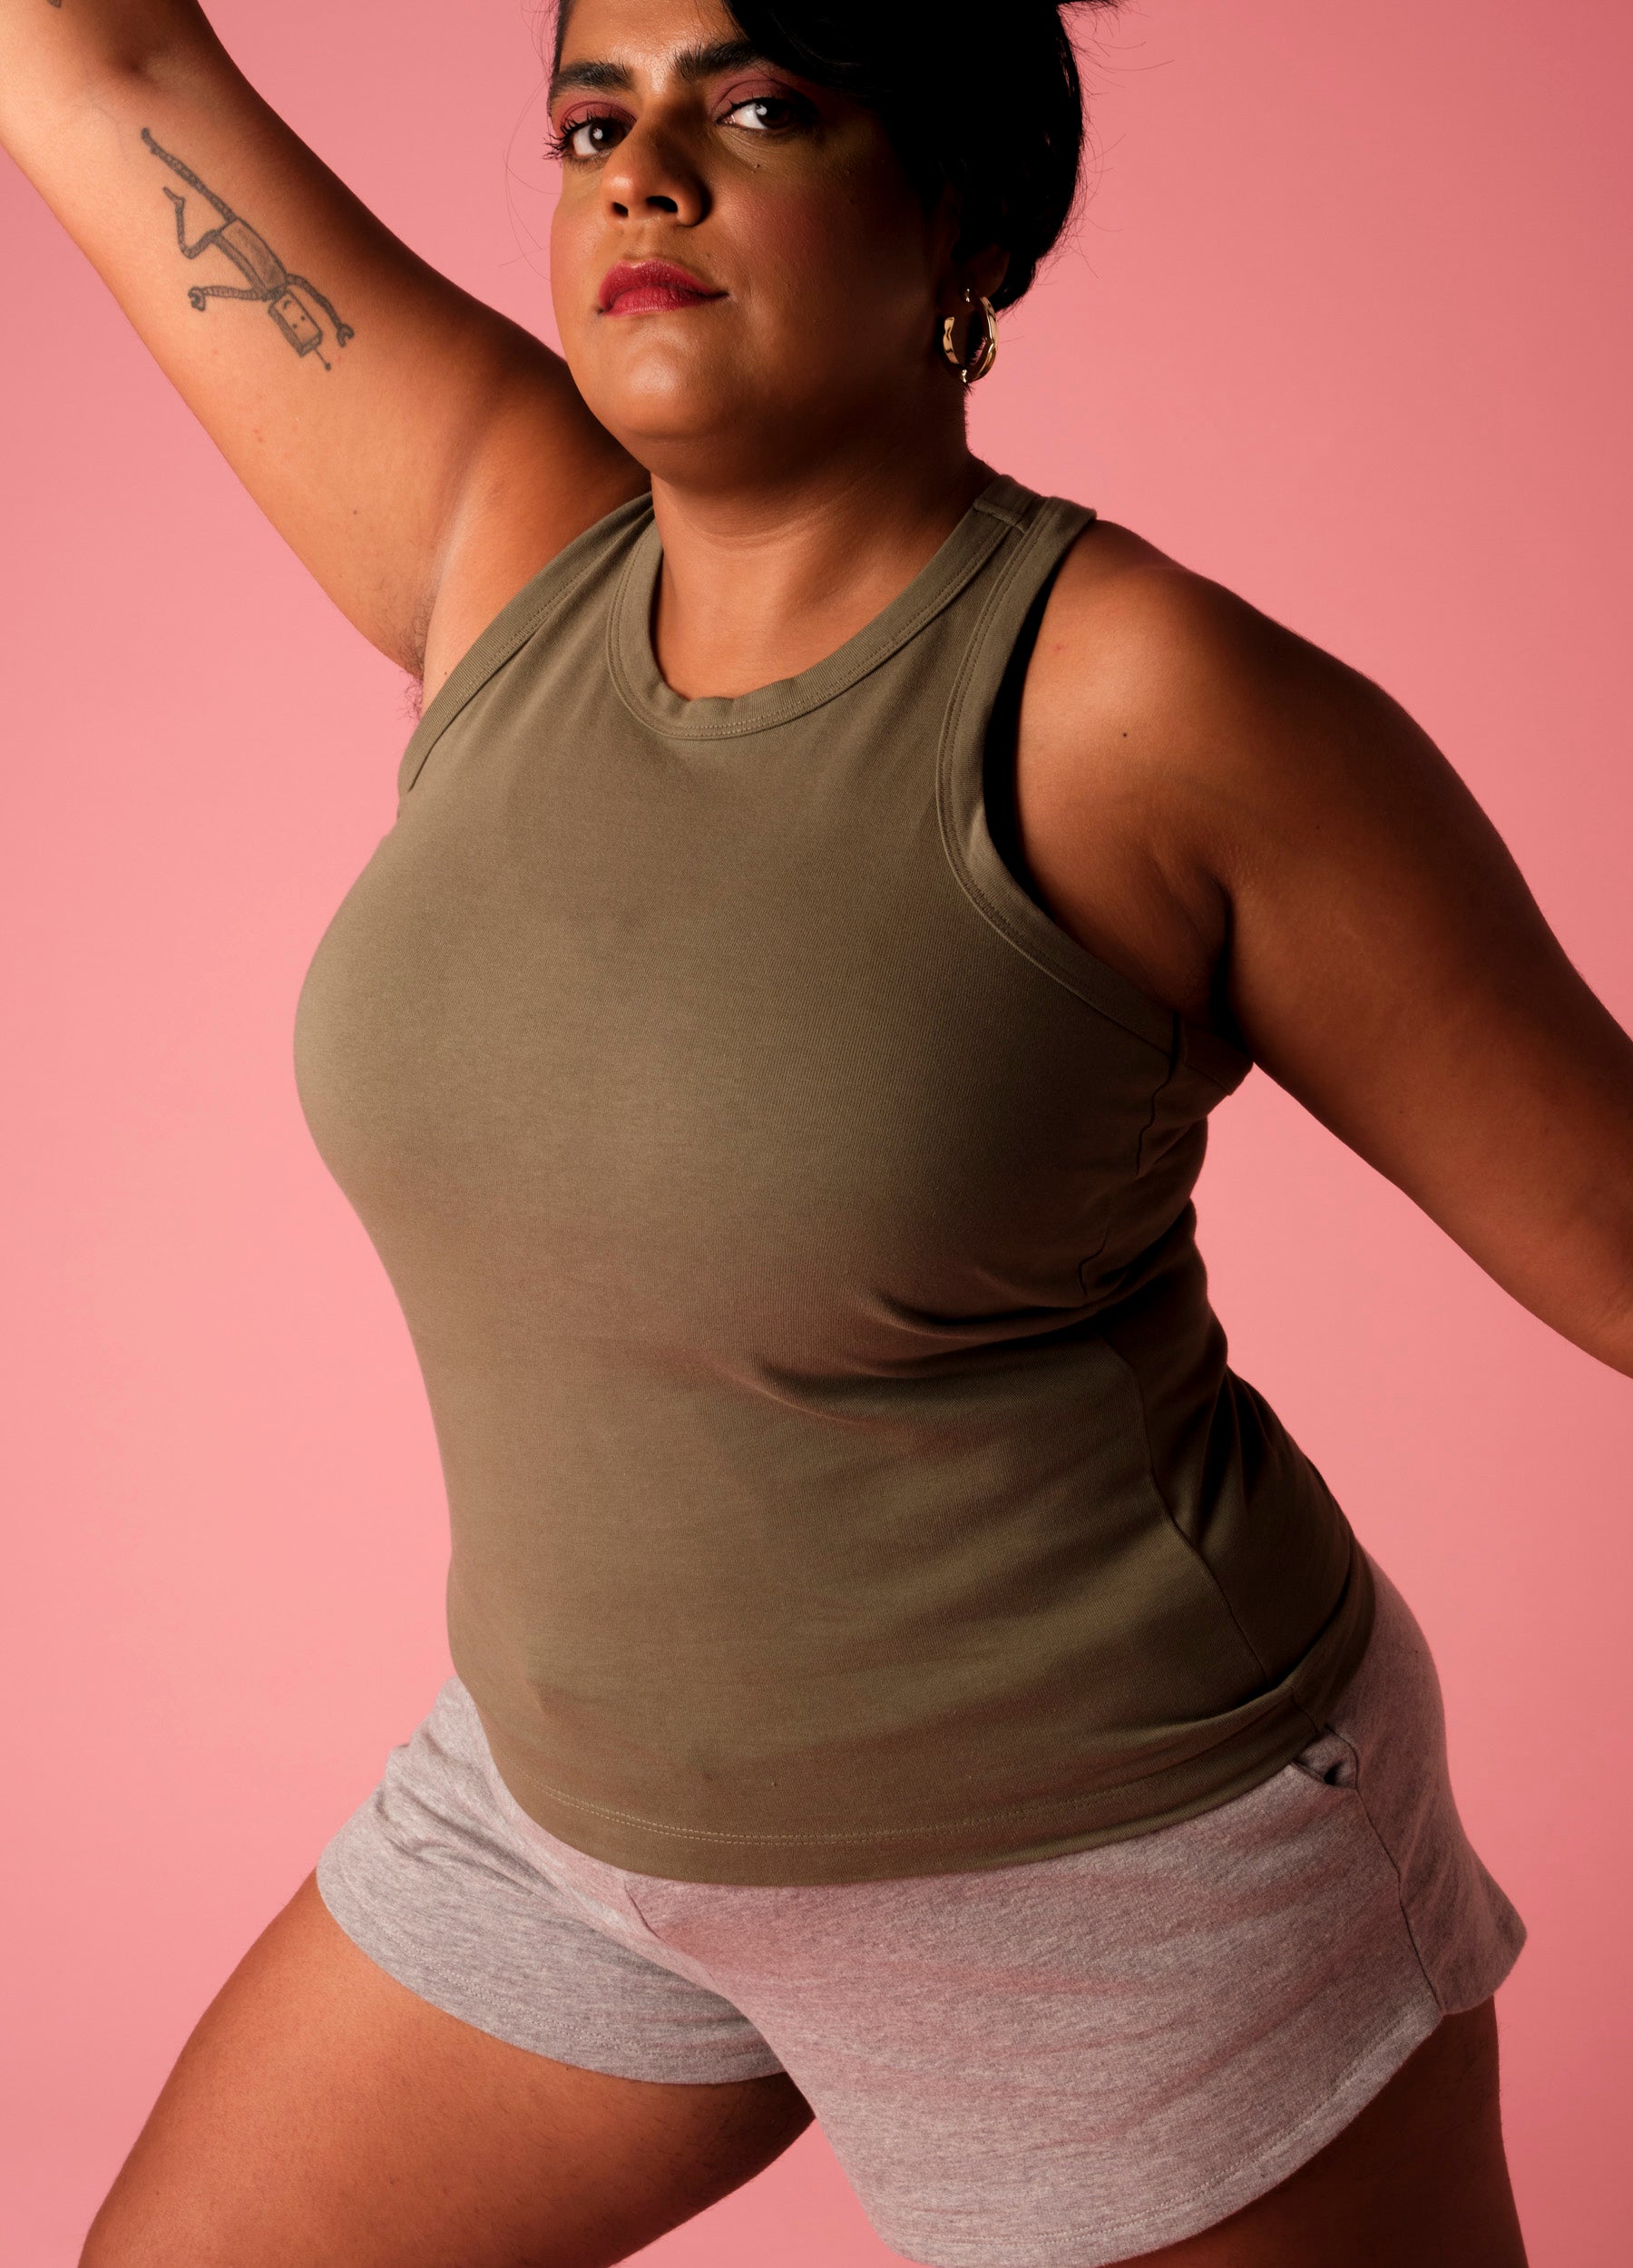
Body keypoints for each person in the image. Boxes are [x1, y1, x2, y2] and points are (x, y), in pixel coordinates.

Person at [5, 1, 1629, 2262]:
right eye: (594, 118)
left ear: (961, 222)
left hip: (1112, 1886)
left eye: (761, 106)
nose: (644, 171)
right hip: (566, 1829)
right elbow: (107, 76)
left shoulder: (1138, 700)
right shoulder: (502, 539)